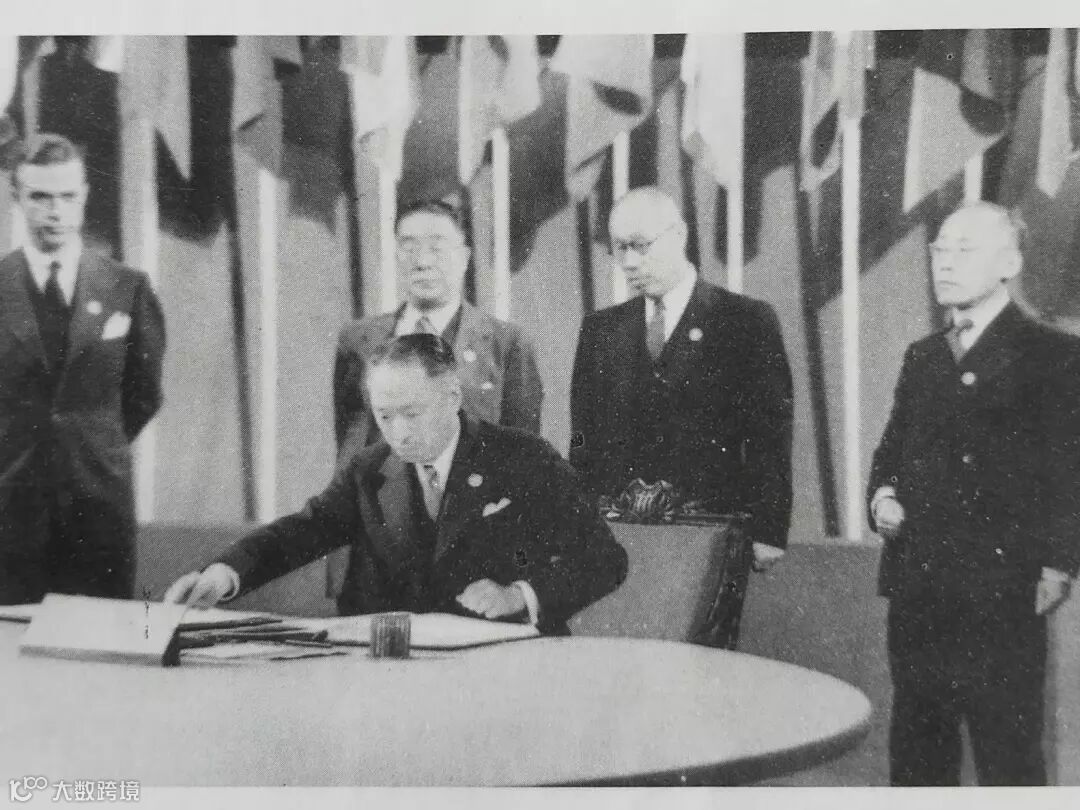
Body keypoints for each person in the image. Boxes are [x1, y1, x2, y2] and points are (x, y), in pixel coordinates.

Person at [166, 334, 627, 634]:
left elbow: (605, 560)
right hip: (399, 670)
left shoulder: (525, 458)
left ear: (452, 397)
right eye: (385, 417)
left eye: (412, 413)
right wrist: (225, 574)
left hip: (508, 665)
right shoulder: (370, 468)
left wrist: (517, 595)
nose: (399, 434)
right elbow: (304, 530)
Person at [868, 202, 1080, 786]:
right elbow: (890, 453)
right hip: (919, 587)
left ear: (1010, 263)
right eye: (940, 250)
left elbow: (1070, 471)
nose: (945, 263)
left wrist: (1058, 563)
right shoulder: (923, 356)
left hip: (1003, 589)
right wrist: (882, 496)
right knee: (917, 755)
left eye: (965, 250)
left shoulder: (1054, 355)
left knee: (1008, 756)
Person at [328, 199, 544, 596]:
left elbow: (523, 459)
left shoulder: (505, 344)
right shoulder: (359, 341)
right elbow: (351, 439)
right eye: (408, 246)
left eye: (436, 246)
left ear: (464, 257)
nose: (422, 261)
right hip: (376, 555)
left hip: (471, 554)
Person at [570, 186, 793, 570]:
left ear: (679, 236)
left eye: (641, 245)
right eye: (620, 248)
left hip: (710, 535)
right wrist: (576, 524)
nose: (630, 263)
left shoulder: (745, 321)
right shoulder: (601, 330)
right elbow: (583, 442)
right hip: (618, 540)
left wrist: (768, 529)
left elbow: (769, 436)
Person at [0, 133, 165, 604]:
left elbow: (143, 395)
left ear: (85, 195)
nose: (55, 211)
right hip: (10, 510)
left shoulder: (127, 288)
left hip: (98, 511)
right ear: (16, 197)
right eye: (40, 197)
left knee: (98, 638)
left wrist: (90, 443)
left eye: (67, 197)